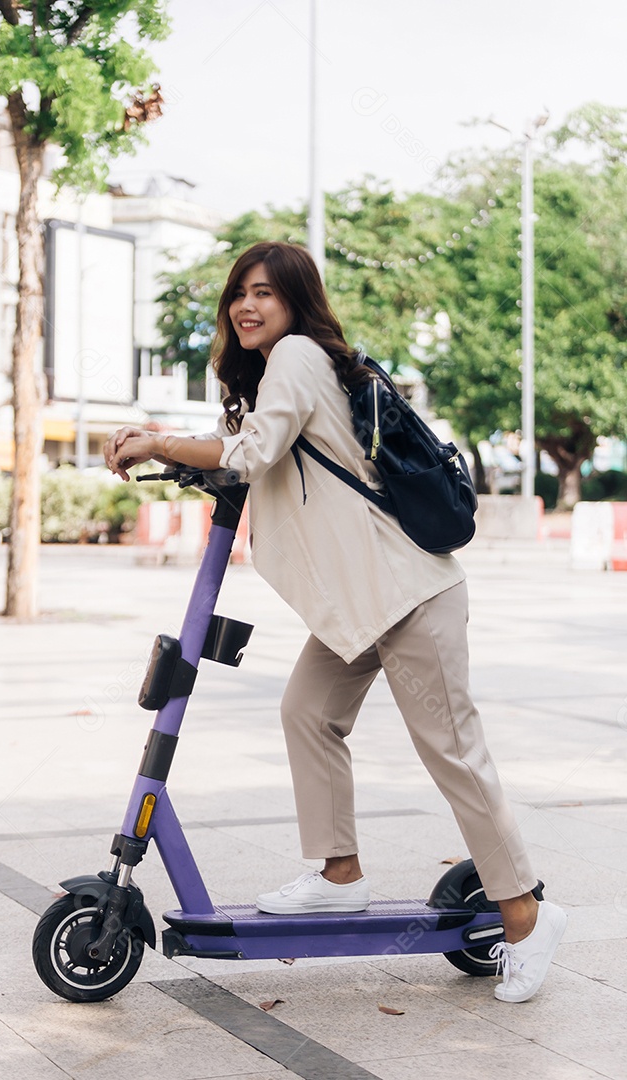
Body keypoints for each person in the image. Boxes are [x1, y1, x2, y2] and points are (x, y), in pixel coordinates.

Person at [104, 240, 567, 1004]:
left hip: (409, 595)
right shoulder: (281, 369)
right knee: (308, 713)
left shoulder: (296, 355)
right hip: (365, 601)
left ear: (295, 304)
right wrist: (179, 446)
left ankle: (526, 918)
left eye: (266, 293)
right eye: (239, 294)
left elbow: (252, 454)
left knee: (453, 753)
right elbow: (256, 448)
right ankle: (337, 873)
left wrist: (157, 439)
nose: (247, 307)